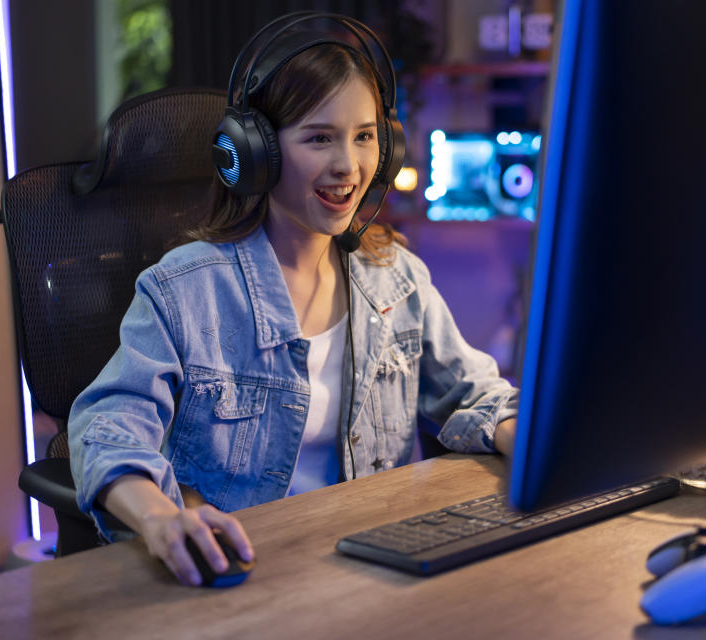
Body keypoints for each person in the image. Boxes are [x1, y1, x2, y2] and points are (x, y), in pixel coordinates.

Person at [68, 14, 519, 587]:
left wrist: (526, 439)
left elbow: (471, 393)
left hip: (377, 567)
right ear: (256, 153)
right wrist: (163, 518)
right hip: (243, 574)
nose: (348, 166)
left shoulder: (396, 278)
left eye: (363, 136)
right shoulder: (185, 289)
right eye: (318, 138)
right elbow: (108, 428)